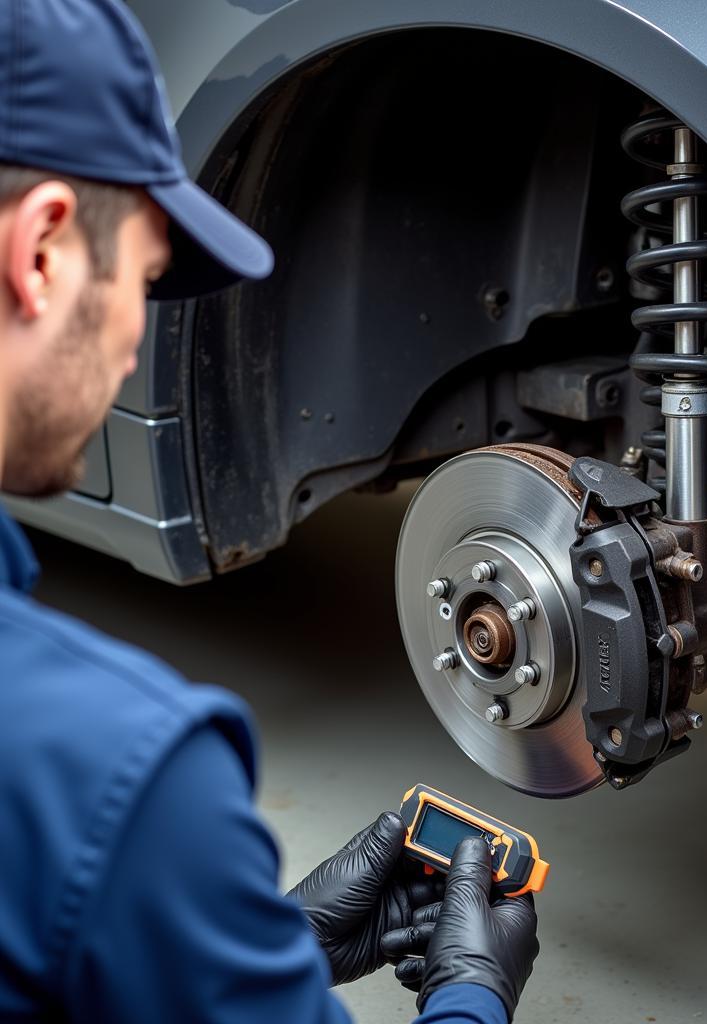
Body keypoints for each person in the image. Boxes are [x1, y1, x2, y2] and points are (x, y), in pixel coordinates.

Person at [0, 2, 539, 1022]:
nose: (135, 341)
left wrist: (253, 950)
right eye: (147, 281)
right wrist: (471, 992)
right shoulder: (121, 779)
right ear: (42, 253)